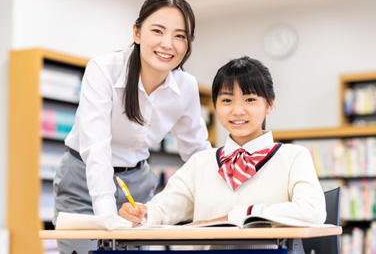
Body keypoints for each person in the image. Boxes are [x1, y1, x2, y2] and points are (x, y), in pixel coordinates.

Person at [53, 0, 211, 254]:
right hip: (82, 179)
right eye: (157, 31)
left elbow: (197, 152)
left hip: (137, 186)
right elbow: (97, 148)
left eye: (180, 36)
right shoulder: (103, 69)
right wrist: (108, 222)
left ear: (189, 43)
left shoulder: (186, 86)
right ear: (137, 33)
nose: (167, 44)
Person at [119, 56, 327, 247]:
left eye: (250, 99)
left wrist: (237, 216)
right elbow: (163, 209)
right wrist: (141, 214)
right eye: (227, 100)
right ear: (216, 105)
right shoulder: (201, 162)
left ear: (269, 104)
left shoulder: (293, 157)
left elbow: (313, 211)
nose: (237, 110)